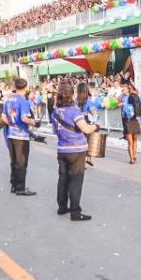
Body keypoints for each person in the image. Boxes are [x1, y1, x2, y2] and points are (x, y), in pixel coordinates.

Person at [51, 82, 100, 221]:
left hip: (62, 150)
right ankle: (75, 212)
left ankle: (62, 207)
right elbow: (85, 129)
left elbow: (55, 131)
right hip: (77, 150)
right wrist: (95, 126)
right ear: (71, 95)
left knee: (63, 178)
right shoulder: (74, 111)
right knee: (75, 181)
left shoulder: (54, 112)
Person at [1, 78, 38, 196]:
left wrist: (12, 124)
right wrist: (34, 123)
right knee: (22, 163)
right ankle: (21, 188)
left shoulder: (8, 100)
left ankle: (14, 185)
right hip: (21, 137)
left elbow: (3, 118)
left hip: (11, 135)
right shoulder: (23, 101)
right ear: (26, 88)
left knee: (14, 161)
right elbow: (24, 118)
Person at [76, 82, 97, 167]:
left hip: (76, 121)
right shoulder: (88, 101)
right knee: (88, 140)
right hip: (85, 120)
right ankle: (89, 158)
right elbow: (93, 113)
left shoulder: (75, 101)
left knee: (79, 141)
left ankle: (80, 162)